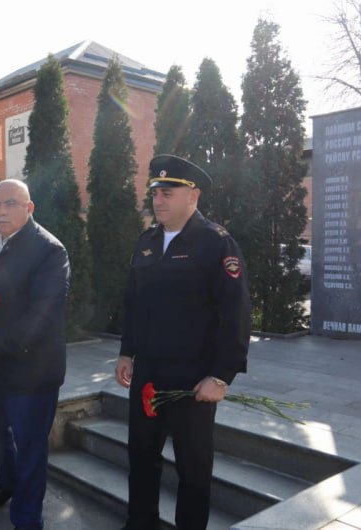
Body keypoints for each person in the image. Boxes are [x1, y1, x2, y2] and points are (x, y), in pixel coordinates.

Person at [115, 154, 250, 530]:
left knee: (193, 468)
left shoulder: (215, 243)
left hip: (194, 379)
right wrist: (127, 351)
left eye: (168, 193)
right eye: (155, 192)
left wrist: (221, 376)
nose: (158, 200)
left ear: (193, 195)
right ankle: (140, 524)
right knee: (141, 456)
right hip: (148, 373)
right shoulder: (147, 242)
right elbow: (135, 303)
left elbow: (236, 314)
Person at [0, 180, 70, 530]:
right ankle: (8, 484)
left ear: (29, 207)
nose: (1, 211)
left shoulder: (49, 251)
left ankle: (26, 520)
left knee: (31, 447)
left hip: (31, 371)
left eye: (10, 203)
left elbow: (42, 315)